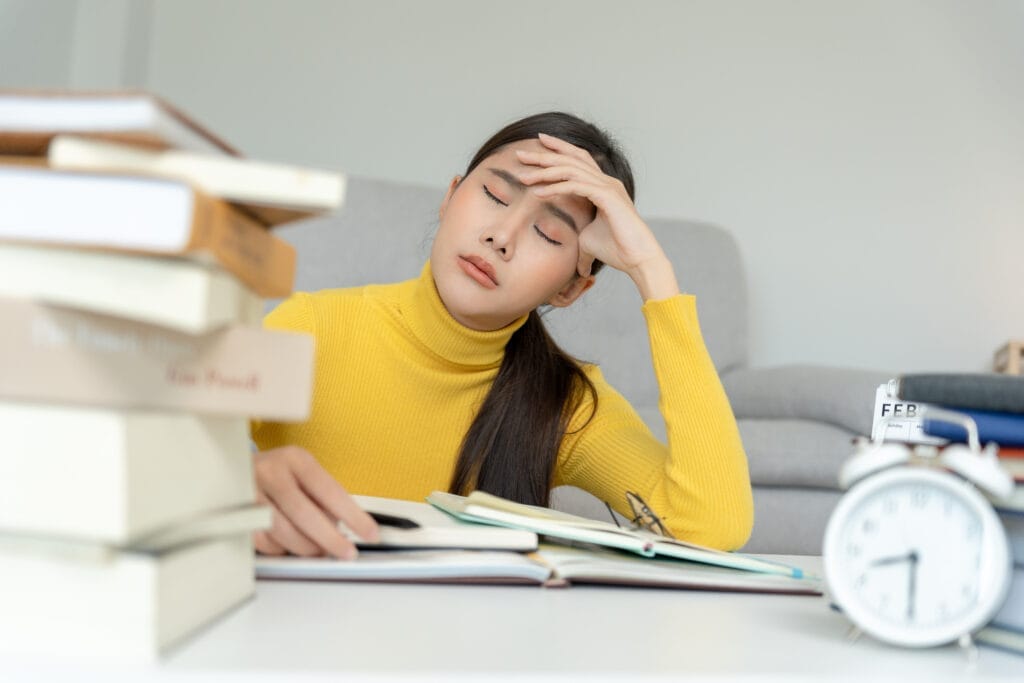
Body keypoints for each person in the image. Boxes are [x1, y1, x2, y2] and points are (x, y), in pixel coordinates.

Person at [250, 112, 753, 560]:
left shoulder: (567, 404)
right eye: (494, 195)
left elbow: (711, 526)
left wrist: (653, 273)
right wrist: (239, 478)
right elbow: (177, 455)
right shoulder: (313, 327)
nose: (501, 237)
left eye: (549, 234)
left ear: (571, 289)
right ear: (450, 197)